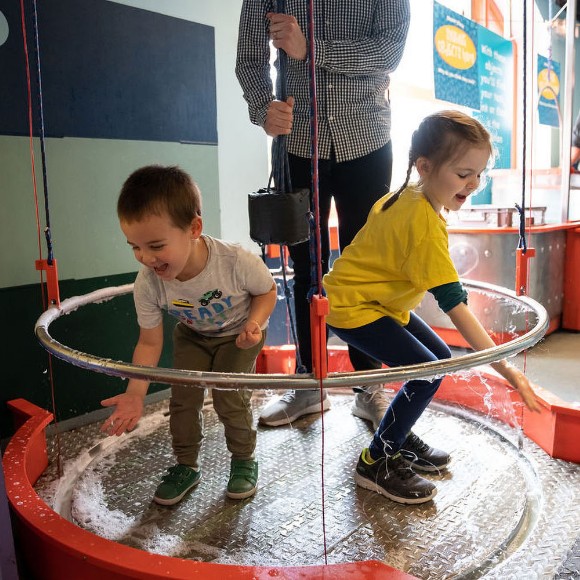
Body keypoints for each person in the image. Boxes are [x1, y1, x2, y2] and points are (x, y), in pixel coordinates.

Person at [323, 110, 541, 504]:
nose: (473, 184)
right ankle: (376, 461)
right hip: (355, 307)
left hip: (375, 302)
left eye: (480, 174)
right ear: (425, 166)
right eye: (463, 174)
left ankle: (396, 435)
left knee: (437, 357)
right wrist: (507, 369)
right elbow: (457, 307)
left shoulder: (407, 193)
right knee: (428, 374)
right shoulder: (421, 223)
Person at [236, 0, 411, 429]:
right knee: (304, 266)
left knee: (364, 267)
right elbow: (249, 57)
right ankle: (309, 382)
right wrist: (262, 109)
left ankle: (368, 383)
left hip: (366, 136)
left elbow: (388, 51)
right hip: (296, 140)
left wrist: (312, 48)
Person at [100, 165, 277, 505]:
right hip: (193, 334)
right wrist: (135, 393)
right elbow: (149, 341)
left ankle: (243, 460)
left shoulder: (235, 261)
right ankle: (186, 466)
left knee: (228, 397)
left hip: (239, 335)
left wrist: (254, 324)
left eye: (155, 245)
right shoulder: (148, 283)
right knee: (182, 401)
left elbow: (266, 292)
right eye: (134, 247)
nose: (146, 258)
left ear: (194, 228)